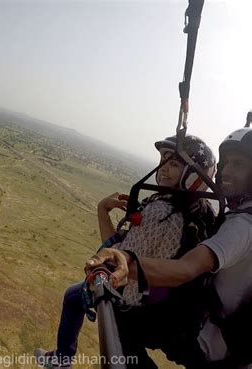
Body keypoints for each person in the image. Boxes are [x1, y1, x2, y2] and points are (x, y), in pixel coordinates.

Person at [34, 134, 217, 369]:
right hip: (174, 313)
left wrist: (102, 210)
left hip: (138, 305)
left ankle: (61, 359)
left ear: (193, 175)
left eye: (174, 164)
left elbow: (117, 260)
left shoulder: (161, 212)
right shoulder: (197, 209)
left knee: (74, 299)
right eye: (163, 160)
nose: (163, 169)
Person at [87, 127, 252, 368]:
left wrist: (126, 261)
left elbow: (186, 268)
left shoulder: (242, 226)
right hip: (218, 338)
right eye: (226, 163)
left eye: (239, 165)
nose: (226, 171)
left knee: (118, 320)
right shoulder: (226, 212)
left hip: (209, 344)